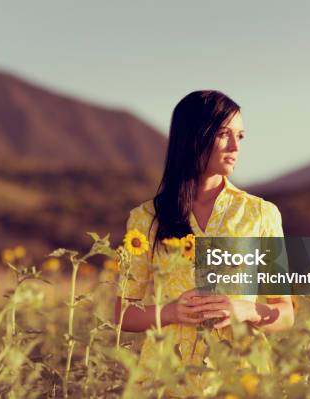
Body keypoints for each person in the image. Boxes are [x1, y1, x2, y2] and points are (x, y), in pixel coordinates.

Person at [114, 90, 294, 396]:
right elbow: (123, 315)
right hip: (166, 378)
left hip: (241, 375)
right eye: (224, 134)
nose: (236, 146)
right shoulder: (146, 218)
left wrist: (246, 310)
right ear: (195, 136)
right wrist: (170, 313)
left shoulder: (262, 214)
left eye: (240, 135)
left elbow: (285, 312)